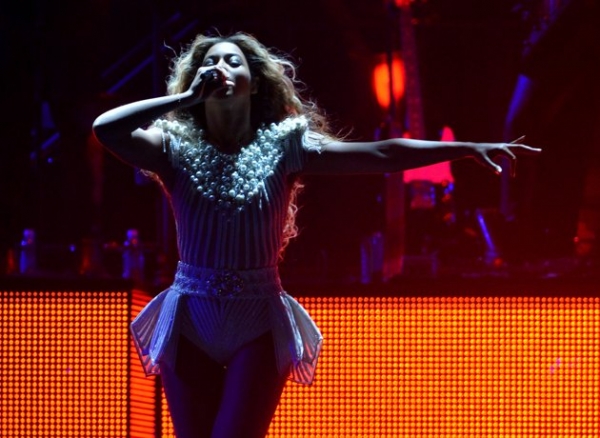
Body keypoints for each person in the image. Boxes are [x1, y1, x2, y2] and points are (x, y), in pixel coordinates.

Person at [92, 31, 539, 438]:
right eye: (210, 63)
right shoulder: (173, 147)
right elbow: (105, 129)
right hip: (191, 316)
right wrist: (186, 98)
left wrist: (465, 148)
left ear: (255, 82)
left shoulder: (286, 144)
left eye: (232, 61)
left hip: (257, 319)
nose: (220, 68)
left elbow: (381, 154)